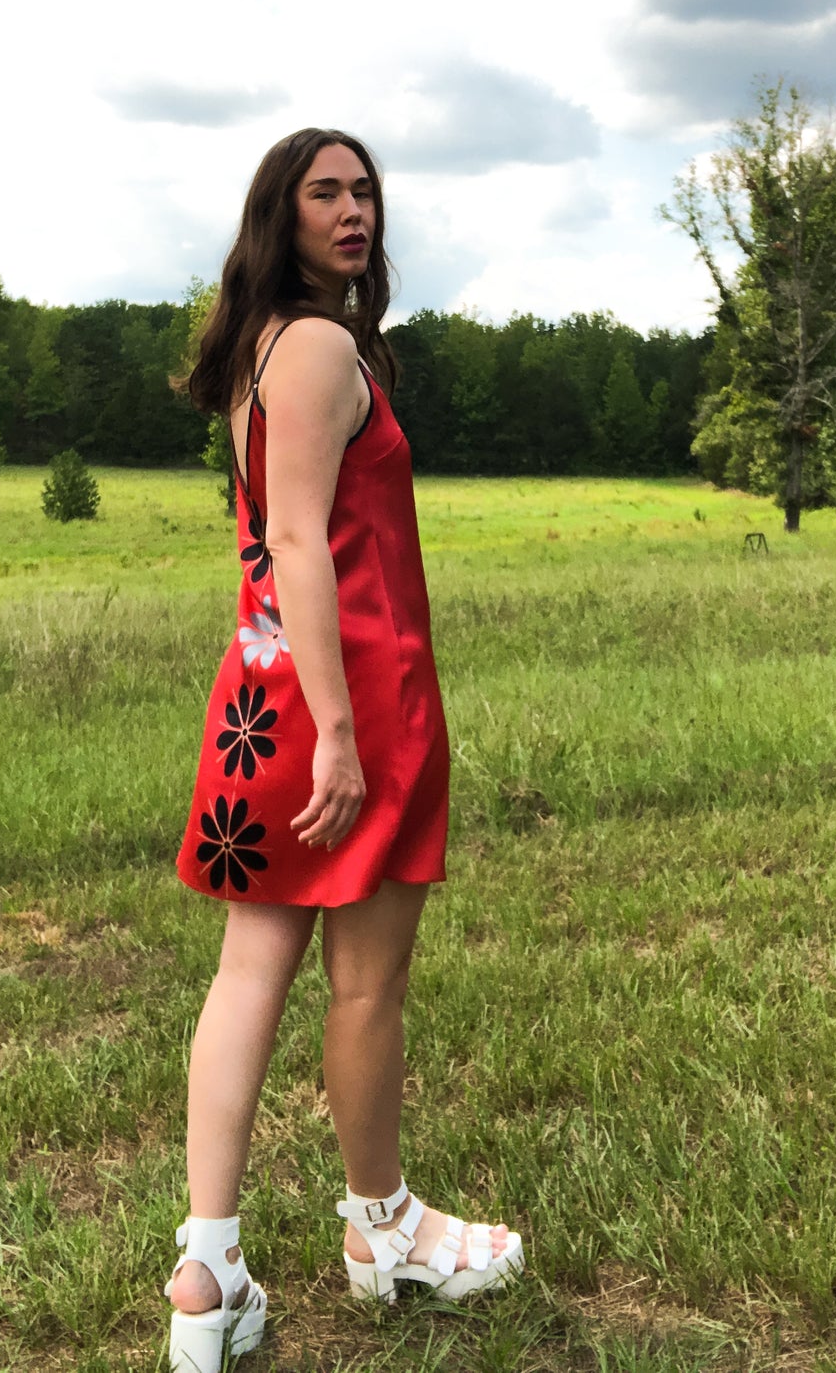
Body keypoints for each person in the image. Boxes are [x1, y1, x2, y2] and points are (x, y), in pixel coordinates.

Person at [165, 129, 524, 1371]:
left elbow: (269, 545)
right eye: (324, 192)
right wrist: (338, 737)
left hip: (256, 694)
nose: (353, 209)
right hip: (344, 702)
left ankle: (206, 1272)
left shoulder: (262, 349)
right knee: (363, 986)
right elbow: (304, 544)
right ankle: (385, 1234)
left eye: (364, 189)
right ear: (281, 213)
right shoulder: (317, 347)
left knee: (245, 974)